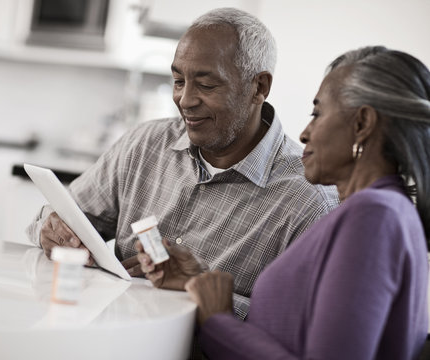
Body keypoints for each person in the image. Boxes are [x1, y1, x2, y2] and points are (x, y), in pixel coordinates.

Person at [26, 7, 338, 318]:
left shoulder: (310, 202)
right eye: (178, 81)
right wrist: (51, 228)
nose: (185, 100)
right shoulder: (143, 145)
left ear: (259, 87)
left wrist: (200, 292)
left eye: (206, 85)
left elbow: (301, 331)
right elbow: (56, 218)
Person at [137, 46, 430, 359]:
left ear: (362, 124)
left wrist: (218, 322)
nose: (304, 133)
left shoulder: (374, 216)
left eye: (317, 114)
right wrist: (199, 286)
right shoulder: (384, 212)